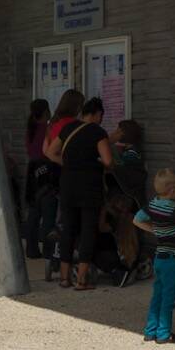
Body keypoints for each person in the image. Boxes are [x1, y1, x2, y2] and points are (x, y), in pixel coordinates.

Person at [50, 97, 112, 293]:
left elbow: (51, 152)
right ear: (97, 114)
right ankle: (82, 280)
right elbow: (108, 161)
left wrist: (68, 165)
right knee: (87, 230)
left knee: (68, 229)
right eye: (101, 115)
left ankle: (64, 278)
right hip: (89, 187)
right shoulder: (98, 132)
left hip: (68, 184)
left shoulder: (68, 128)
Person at [134, 166, 175, 343]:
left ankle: (150, 331)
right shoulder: (174, 210)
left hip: (159, 257)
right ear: (172, 190)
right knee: (169, 297)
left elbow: (136, 220)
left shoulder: (152, 205)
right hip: (173, 258)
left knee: (157, 294)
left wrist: (155, 230)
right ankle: (164, 334)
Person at [31, 88, 82, 267]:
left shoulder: (53, 123)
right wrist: (69, 163)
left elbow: (46, 150)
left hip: (50, 173)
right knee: (66, 216)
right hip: (66, 173)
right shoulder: (73, 124)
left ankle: (50, 253)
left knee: (51, 216)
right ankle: (63, 253)